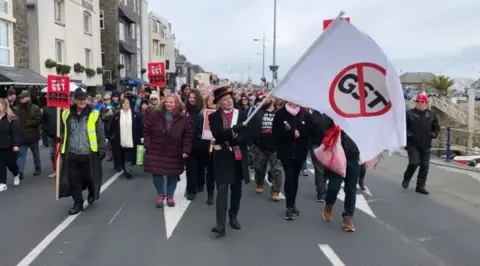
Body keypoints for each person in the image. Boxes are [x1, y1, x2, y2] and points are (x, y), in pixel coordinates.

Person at [208, 86, 259, 236]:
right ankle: (220, 224)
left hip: (238, 155)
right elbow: (218, 135)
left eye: (229, 98)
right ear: (219, 103)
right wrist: (234, 131)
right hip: (222, 156)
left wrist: (239, 138)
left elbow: (250, 135)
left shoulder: (243, 115)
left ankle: (233, 216)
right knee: (222, 189)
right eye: (224, 100)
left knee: (237, 189)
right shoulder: (213, 117)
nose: (228, 101)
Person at [59, 88, 106, 215]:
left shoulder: (94, 114)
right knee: (74, 180)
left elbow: (100, 133)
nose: (82, 101)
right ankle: (78, 203)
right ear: (74, 100)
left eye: (84, 99)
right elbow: (62, 131)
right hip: (72, 153)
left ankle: (92, 191)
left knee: (89, 178)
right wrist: (60, 139)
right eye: (79, 99)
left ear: (87, 100)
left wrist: (102, 149)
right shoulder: (66, 114)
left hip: (88, 153)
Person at [144, 95, 192, 208]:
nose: (169, 104)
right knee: (156, 173)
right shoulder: (155, 115)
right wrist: (147, 144)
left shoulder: (183, 117)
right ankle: (160, 195)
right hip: (156, 149)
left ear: (177, 103)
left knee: (172, 174)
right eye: (167, 102)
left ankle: (170, 196)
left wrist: (186, 150)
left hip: (174, 150)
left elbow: (188, 135)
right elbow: (147, 130)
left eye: (172, 102)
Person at [272, 101, 318, 220]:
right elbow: (275, 131)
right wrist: (290, 133)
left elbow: (313, 129)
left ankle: (293, 204)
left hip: (300, 152)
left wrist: (301, 132)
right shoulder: (280, 113)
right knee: (290, 177)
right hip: (286, 152)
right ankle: (288, 207)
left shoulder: (304, 113)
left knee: (295, 179)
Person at [320, 114, 361, 232]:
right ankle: (329, 204)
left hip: (354, 157)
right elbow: (324, 127)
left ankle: (348, 217)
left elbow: (368, 137)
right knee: (333, 187)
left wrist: (367, 156)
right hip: (338, 155)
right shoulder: (337, 114)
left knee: (351, 189)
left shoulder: (362, 118)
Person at [403, 92, 440, 195]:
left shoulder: (431, 114)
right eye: (417, 101)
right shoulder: (409, 113)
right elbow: (403, 127)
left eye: (422, 101)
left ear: (426, 103)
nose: (419, 103)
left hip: (426, 144)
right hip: (412, 144)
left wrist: (434, 134)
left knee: (425, 166)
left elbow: (436, 127)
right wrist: (409, 134)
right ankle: (407, 178)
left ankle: (420, 186)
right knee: (414, 162)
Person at [108, 99, 143, 179]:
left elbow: (140, 126)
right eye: (124, 103)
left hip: (131, 139)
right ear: (121, 104)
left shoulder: (135, 115)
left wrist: (141, 136)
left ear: (129, 104)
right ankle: (123, 167)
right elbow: (112, 127)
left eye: (127, 103)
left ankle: (128, 171)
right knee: (121, 155)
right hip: (119, 138)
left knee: (129, 156)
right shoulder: (117, 115)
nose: (125, 104)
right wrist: (109, 136)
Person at [185, 89, 210, 200]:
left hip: (202, 143)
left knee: (200, 166)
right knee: (191, 168)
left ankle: (200, 184)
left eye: (194, 98)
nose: (192, 99)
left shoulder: (203, 111)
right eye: (190, 97)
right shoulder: (184, 111)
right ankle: (191, 190)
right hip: (189, 143)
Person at [16, 91, 42, 180]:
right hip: (22, 136)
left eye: (23, 97)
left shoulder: (35, 108)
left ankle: (37, 167)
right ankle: (20, 171)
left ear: (28, 98)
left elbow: (39, 121)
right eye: (20, 98)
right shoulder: (18, 109)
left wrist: (28, 123)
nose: (21, 99)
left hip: (32, 135)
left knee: (35, 153)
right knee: (21, 155)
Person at [0, 98, 20, 191]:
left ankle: (16, 174)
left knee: (11, 164)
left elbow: (15, 132)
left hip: (9, 145)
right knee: (1, 164)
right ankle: (3, 183)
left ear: (4, 106)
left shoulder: (11, 117)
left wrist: (16, 144)